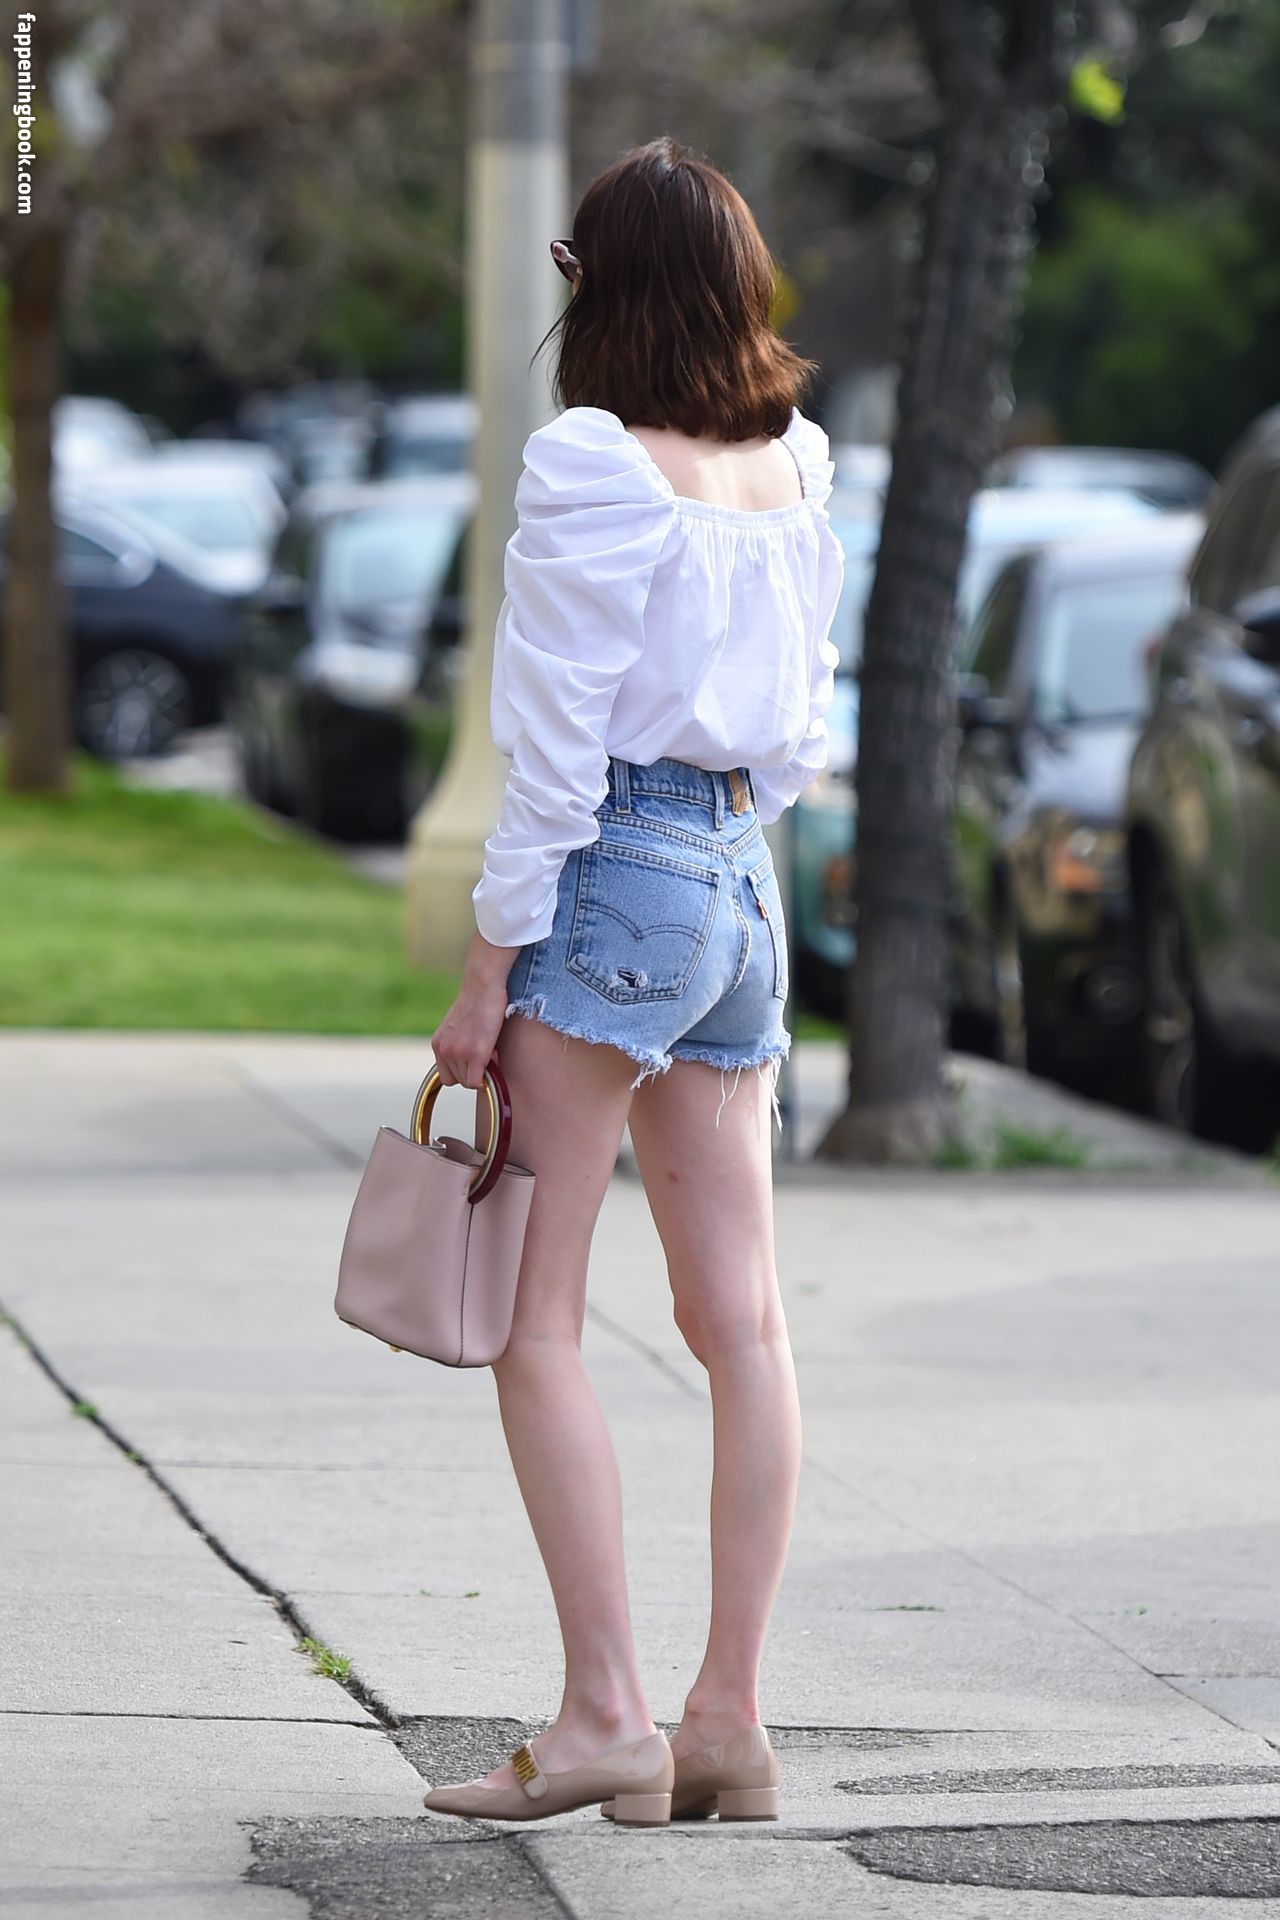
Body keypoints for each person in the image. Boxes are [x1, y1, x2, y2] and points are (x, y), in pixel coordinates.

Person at [422, 135, 844, 1828]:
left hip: (617, 871)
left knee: (533, 1319)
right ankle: (726, 1719)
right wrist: (720, 838)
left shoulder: (593, 463)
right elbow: (803, 728)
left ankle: (607, 1715)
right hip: (741, 872)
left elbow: (554, 753)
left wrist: (485, 968)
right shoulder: (794, 466)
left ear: (596, 286)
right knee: (743, 1322)